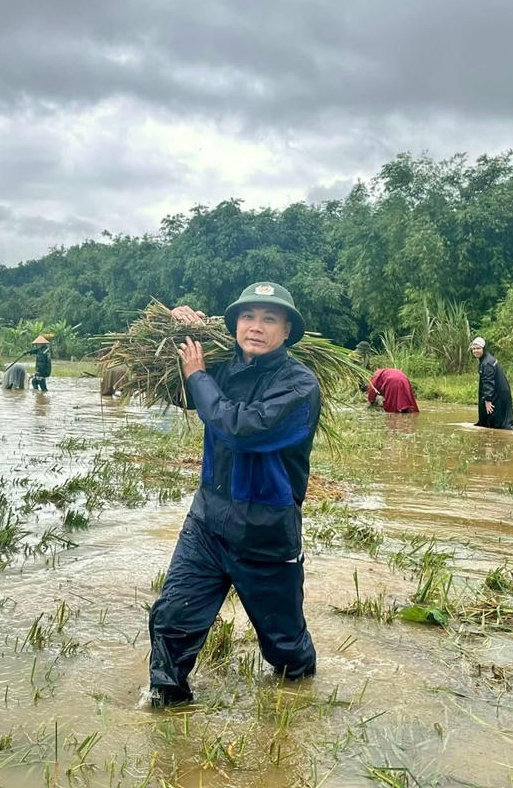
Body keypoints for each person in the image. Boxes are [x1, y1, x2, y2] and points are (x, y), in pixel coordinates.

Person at [147, 281, 320, 708]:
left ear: (287, 331)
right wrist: (180, 330)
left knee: (286, 649)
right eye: (248, 316)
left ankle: (297, 708)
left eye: (269, 319)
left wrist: (198, 375)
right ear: (235, 324)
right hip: (206, 524)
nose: (255, 326)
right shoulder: (221, 369)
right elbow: (173, 388)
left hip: (265, 534)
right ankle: (166, 708)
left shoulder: (299, 386)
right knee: (172, 621)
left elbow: (240, 429)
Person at [470, 337, 513, 429]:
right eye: (473, 349)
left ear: (483, 348)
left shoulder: (487, 363)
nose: (475, 351)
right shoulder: (486, 360)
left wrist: (488, 400)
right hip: (499, 392)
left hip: (498, 394)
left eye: (478, 348)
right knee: (492, 421)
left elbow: (488, 381)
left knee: (496, 420)